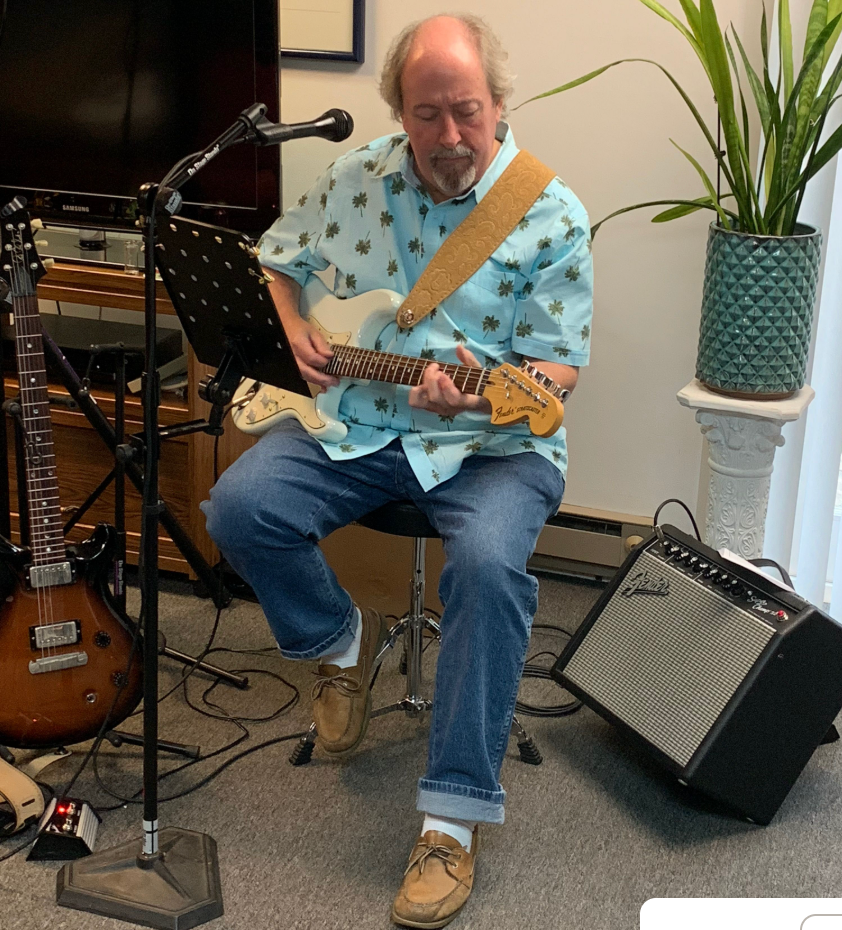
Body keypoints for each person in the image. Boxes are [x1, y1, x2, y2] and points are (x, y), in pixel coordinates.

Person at [202, 13, 593, 928]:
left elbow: (557, 370)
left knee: (488, 571)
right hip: (363, 424)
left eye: (468, 111)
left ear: (499, 102)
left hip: (495, 444)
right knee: (239, 507)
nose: (450, 136)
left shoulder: (551, 213)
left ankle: (450, 822)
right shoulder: (355, 177)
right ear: (398, 112)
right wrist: (295, 323)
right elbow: (276, 259)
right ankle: (341, 645)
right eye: (428, 114)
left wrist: (483, 399)